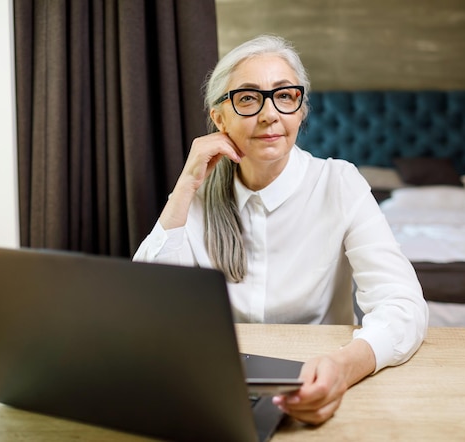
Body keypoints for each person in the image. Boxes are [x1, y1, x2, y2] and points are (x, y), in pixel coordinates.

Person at [133, 34, 428, 425]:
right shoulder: (197, 194)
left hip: (315, 381)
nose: (270, 113)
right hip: (214, 391)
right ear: (219, 117)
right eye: (249, 98)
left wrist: (343, 367)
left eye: (284, 96)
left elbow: (403, 305)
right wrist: (184, 186)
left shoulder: (339, 183)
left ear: (300, 110)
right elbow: (148, 307)